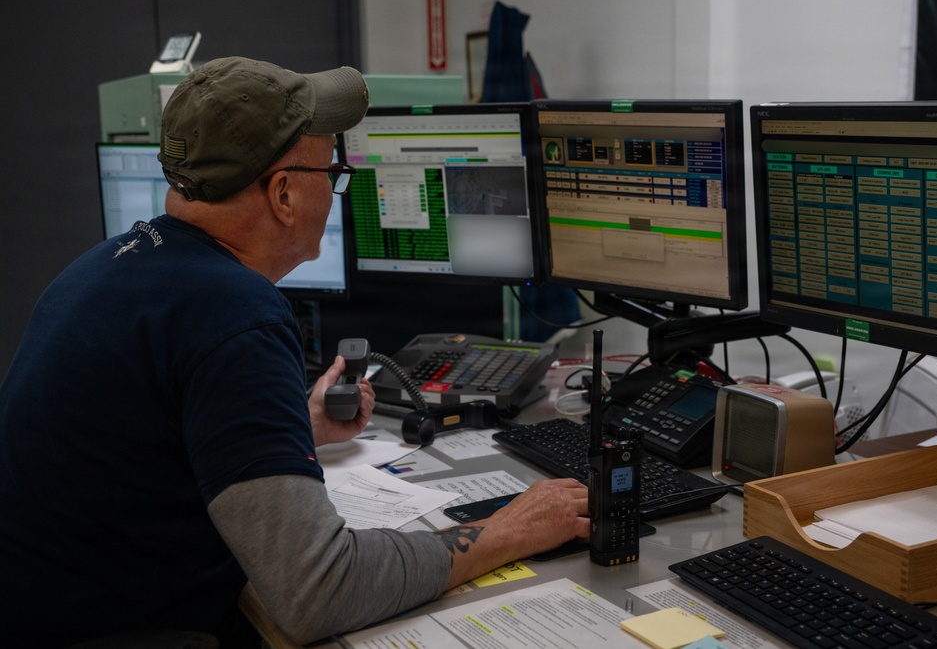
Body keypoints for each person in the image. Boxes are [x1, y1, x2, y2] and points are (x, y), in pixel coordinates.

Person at [0, 56, 590, 648]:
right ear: (283, 193)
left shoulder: (108, 266)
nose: (336, 188)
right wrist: (508, 530)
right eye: (333, 170)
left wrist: (292, 429)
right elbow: (320, 591)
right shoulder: (231, 314)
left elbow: (140, 455)